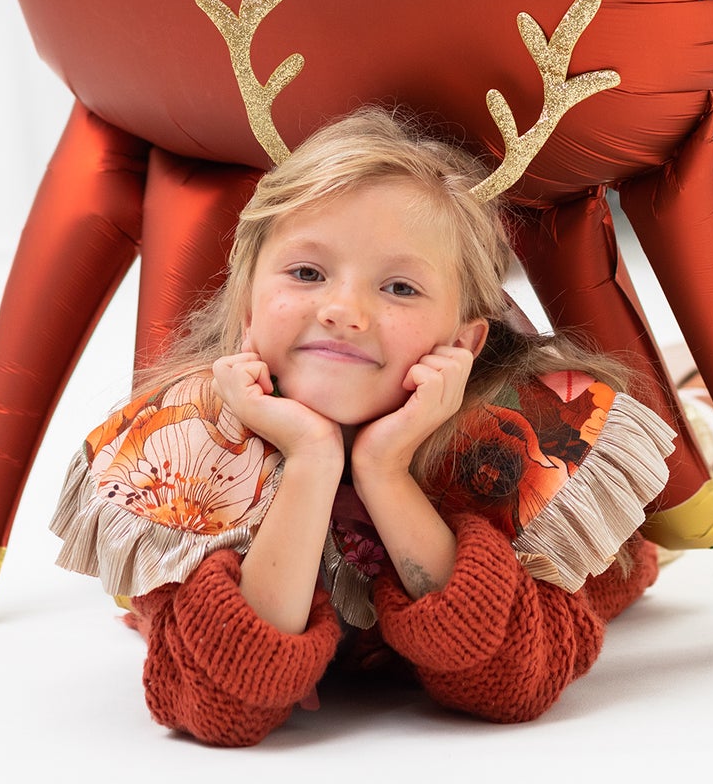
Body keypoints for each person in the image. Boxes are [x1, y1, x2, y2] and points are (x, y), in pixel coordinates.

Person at [51, 108, 680, 746]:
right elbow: (220, 702)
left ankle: (695, 399)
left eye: (400, 287)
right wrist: (311, 460)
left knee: (650, 522)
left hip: (591, 557)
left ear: (462, 342)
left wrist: (385, 469)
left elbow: (513, 683)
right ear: (247, 309)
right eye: (306, 273)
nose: (344, 311)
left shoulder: (508, 443)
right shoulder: (187, 446)